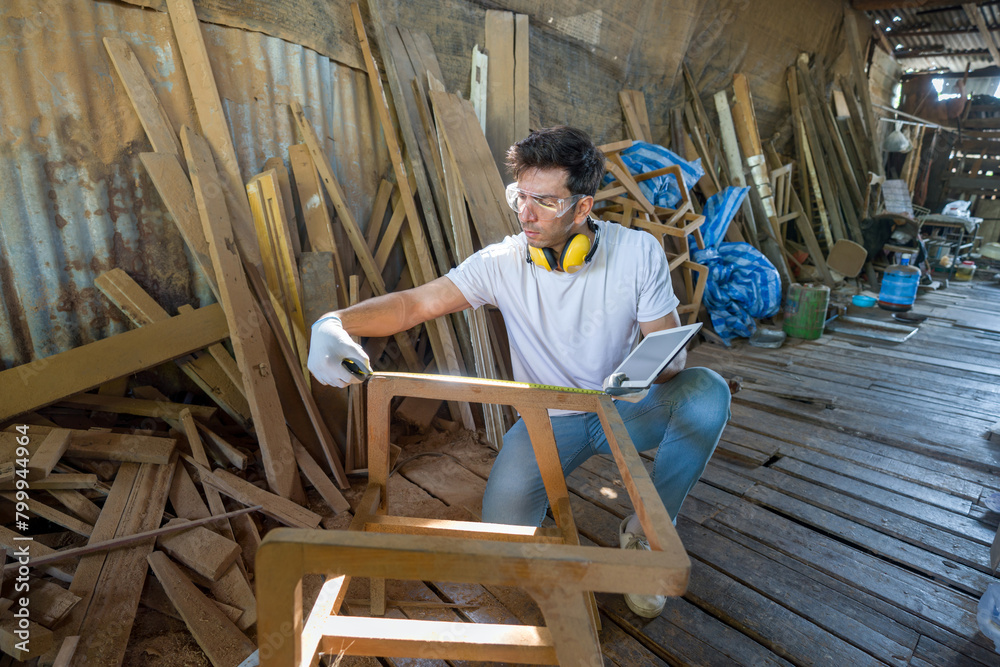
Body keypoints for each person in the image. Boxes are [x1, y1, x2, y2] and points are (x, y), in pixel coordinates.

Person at [308, 126, 731, 617]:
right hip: (546, 422)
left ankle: (645, 535)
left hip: (621, 409)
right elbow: (412, 305)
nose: (526, 214)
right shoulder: (502, 262)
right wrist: (336, 321)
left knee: (706, 393)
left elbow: (667, 352)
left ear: (583, 208)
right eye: (520, 197)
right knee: (503, 541)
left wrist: (664, 364)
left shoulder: (637, 253)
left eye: (545, 202)